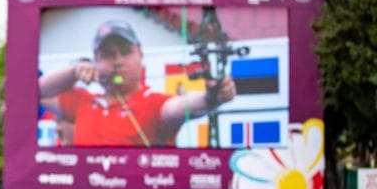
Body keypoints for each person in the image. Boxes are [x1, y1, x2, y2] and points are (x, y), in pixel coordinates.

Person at [39, 19, 237, 147]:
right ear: (96, 60)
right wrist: (74, 72)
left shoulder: (152, 103)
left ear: (140, 55)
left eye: (126, 52)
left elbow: (179, 107)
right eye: (108, 55)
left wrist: (212, 97)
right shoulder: (83, 102)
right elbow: (34, 92)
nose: (117, 61)